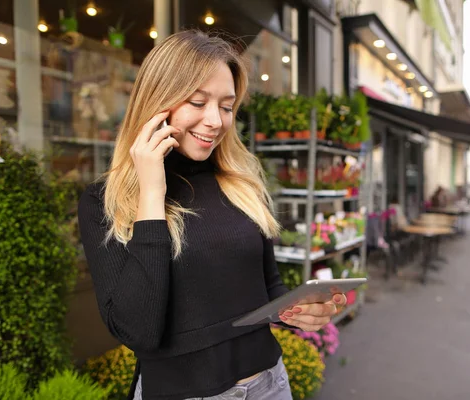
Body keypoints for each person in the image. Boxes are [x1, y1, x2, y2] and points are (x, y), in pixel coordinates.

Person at [77, 30, 345, 400]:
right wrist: (152, 192)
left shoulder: (240, 183)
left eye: (226, 106)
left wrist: (296, 310)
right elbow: (139, 331)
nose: (216, 121)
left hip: (270, 384)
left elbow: (268, 288)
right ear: (157, 101)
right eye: (198, 102)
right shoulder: (105, 202)